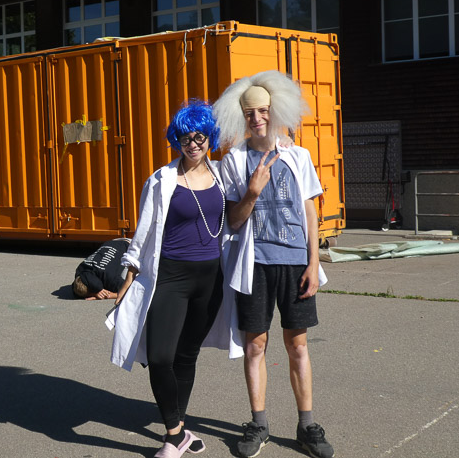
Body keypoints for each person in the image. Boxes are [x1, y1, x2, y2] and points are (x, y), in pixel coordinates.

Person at [214, 71, 334, 458]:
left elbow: (310, 212)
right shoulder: (233, 161)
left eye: (263, 110)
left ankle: (307, 425)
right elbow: (232, 221)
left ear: (275, 110)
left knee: (297, 345)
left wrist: (313, 262)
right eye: (250, 112)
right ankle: (259, 424)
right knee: (255, 345)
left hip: (296, 263)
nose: (257, 118)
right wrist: (251, 192)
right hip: (255, 266)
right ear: (240, 116)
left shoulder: (298, 156)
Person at [108, 100, 233, 458]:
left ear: (210, 137)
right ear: (175, 140)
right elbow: (143, 231)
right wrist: (128, 277)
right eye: (184, 138)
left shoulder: (223, 175)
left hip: (210, 279)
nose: (192, 144)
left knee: (187, 355)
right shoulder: (162, 180)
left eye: (199, 136)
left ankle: (176, 429)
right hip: (171, 276)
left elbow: (254, 158)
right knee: (161, 356)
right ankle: (175, 433)